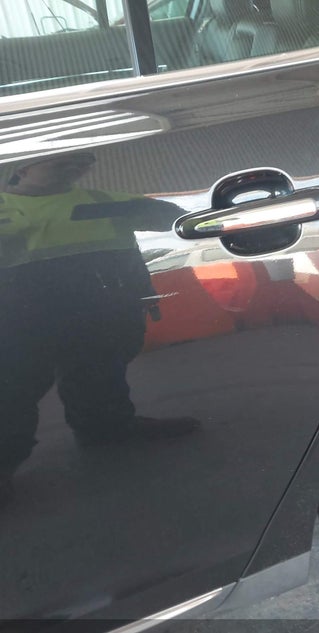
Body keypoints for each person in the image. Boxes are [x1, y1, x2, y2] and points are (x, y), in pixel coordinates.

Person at [0, 152, 198, 506]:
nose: (78, 165)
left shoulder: (103, 202)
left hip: (99, 314)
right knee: (12, 391)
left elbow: (179, 218)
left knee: (99, 372)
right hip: (20, 320)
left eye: (84, 160)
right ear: (23, 165)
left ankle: (107, 429)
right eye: (63, 160)